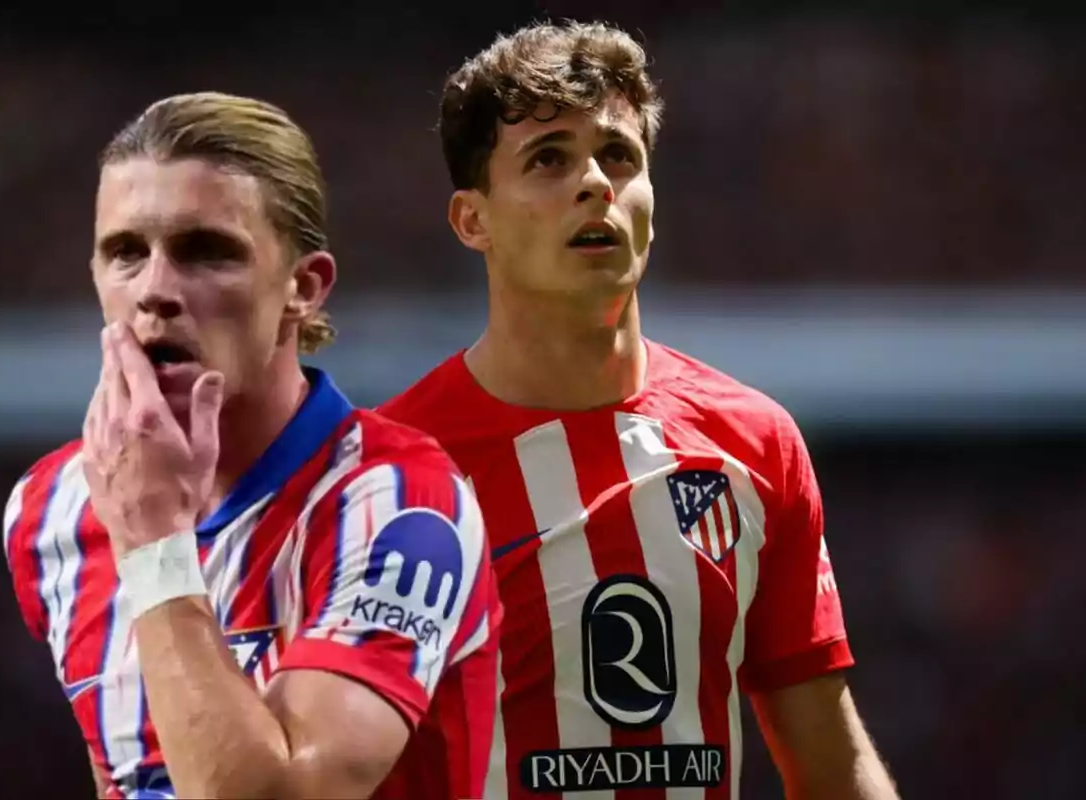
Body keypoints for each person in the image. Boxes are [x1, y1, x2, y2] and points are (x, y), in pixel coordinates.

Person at [379, 21, 899, 800]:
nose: (594, 182)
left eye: (618, 155)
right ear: (472, 220)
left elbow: (829, 760)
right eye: (548, 158)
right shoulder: (386, 475)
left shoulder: (754, 443)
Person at [2, 92, 500, 800]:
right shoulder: (48, 509)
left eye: (206, 252)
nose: (156, 290)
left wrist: (153, 546)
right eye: (125, 253)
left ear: (303, 287)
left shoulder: (403, 506)